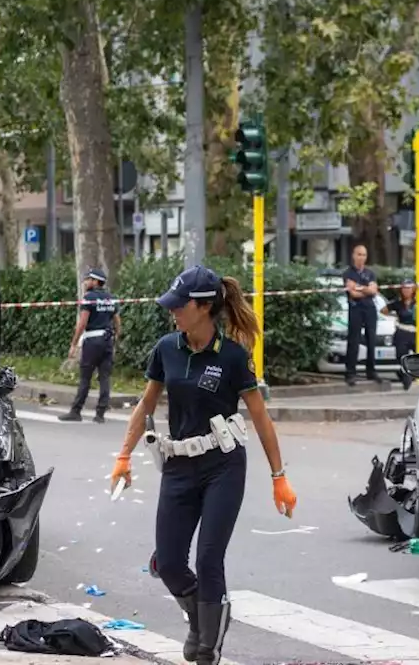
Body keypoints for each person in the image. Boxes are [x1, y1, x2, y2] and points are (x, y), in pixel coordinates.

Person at [108, 265, 297, 665]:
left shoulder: (231, 356)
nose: (173, 311)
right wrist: (123, 455)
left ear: (203, 307)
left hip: (223, 467)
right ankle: (203, 617)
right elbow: (146, 404)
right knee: (170, 562)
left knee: (209, 559)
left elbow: (260, 417)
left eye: (180, 305)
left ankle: (208, 647)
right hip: (178, 465)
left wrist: (278, 477)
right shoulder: (166, 349)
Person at [60, 268, 121, 423]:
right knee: (105, 377)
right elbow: (117, 321)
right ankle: (100, 414)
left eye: (88, 279)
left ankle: (76, 411)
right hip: (107, 340)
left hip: (92, 342)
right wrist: (116, 338)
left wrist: (74, 344)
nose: (85, 282)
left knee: (85, 377)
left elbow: (82, 323)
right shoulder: (110, 298)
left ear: (95, 282)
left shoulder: (89, 298)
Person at [381, 278, 419, 391]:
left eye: (408, 288)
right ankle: (406, 378)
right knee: (401, 356)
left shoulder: (418, 302)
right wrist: (394, 317)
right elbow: (383, 310)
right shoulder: (398, 303)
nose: (406, 291)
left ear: (413, 290)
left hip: (415, 331)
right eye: (404, 288)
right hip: (402, 331)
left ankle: (416, 375)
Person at [342, 243, 379, 385]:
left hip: (370, 309)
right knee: (354, 341)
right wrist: (366, 289)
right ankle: (350, 373)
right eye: (359, 254)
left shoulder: (371, 273)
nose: (361, 257)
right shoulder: (348, 273)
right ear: (353, 256)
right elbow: (352, 293)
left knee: (371, 340)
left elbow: (374, 291)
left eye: (364, 255)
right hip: (356, 308)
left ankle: (371, 371)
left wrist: (359, 287)